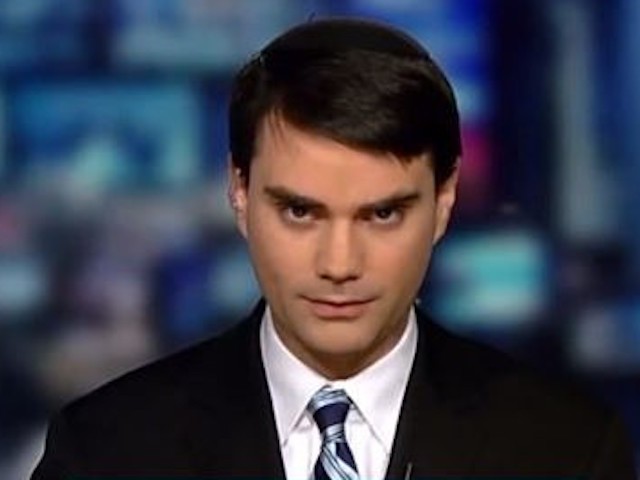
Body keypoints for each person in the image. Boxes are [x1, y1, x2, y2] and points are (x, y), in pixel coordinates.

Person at [31, 17, 636, 480]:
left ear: (444, 200)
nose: (339, 264)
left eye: (383, 214)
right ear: (238, 191)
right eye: (299, 212)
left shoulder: (566, 451)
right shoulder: (106, 452)